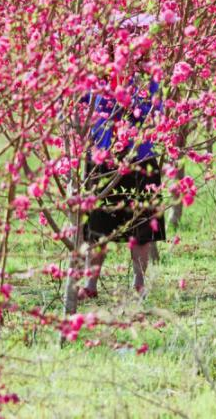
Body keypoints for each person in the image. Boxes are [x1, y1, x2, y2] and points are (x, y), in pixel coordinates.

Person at [80, 54, 164, 299]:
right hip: (103, 158)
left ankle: (139, 282)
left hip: (139, 157)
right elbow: (82, 109)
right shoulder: (97, 76)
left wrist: (133, 106)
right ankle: (90, 283)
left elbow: (157, 113)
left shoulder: (148, 78)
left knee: (141, 224)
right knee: (97, 225)